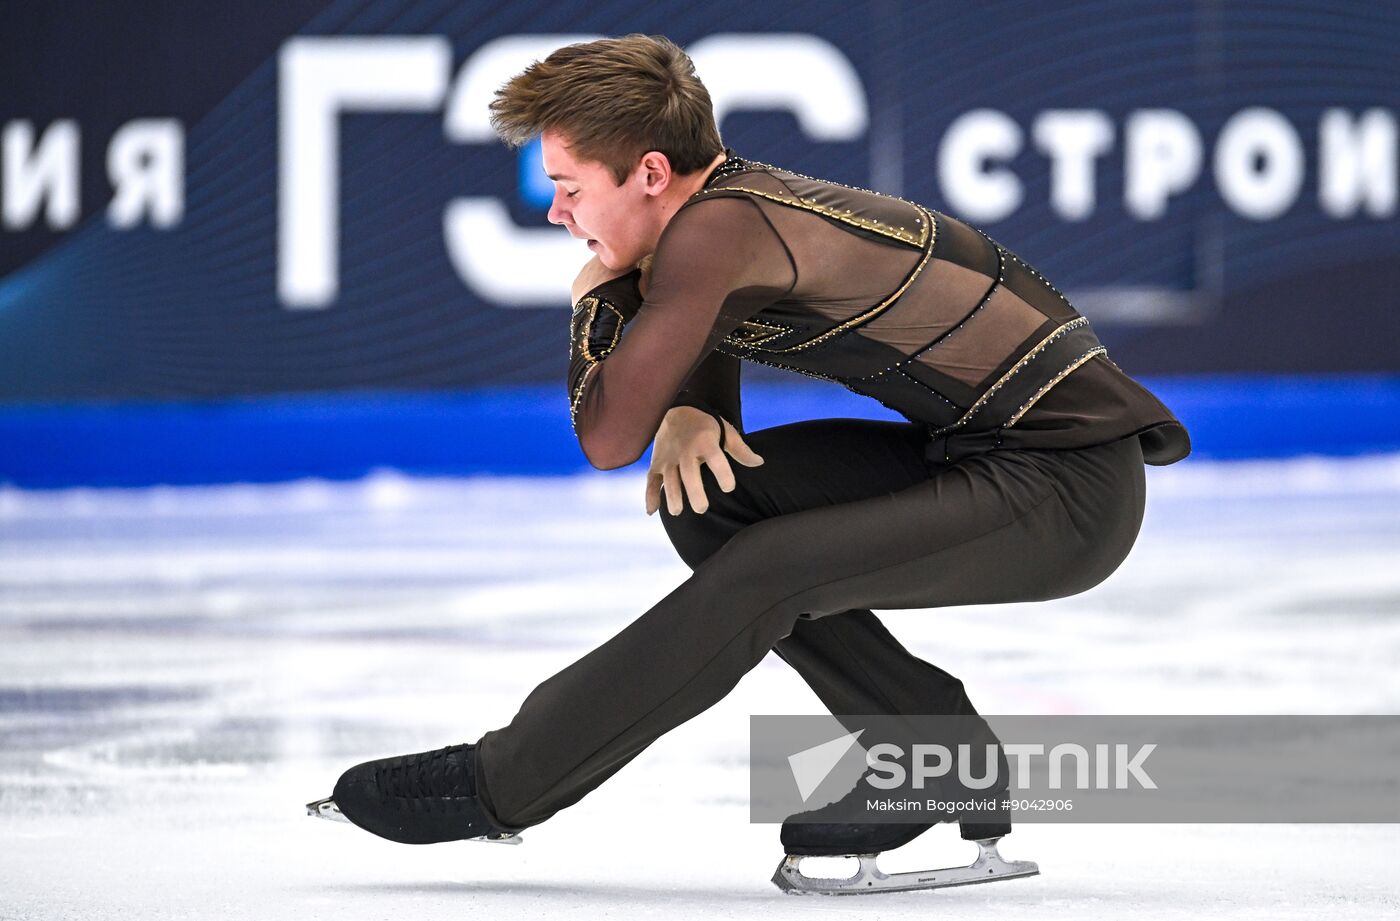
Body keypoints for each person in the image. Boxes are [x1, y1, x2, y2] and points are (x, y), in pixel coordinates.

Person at [311, 33, 1189, 894]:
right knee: (713, 499)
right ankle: (933, 747)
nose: (557, 214)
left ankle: (502, 780)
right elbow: (712, 304)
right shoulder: (727, 207)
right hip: (991, 453)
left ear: (651, 173)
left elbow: (610, 436)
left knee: (766, 572)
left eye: (568, 187)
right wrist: (700, 406)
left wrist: (595, 304)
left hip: (1069, 487)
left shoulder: (718, 230)